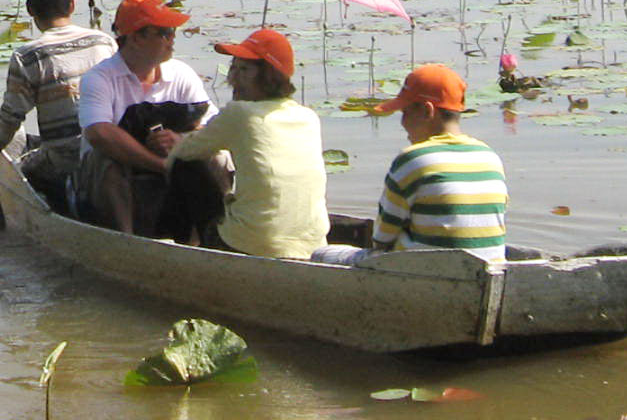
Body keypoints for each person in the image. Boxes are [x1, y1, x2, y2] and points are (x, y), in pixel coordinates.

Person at [154, 27, 330, 259]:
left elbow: (182, 153)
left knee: (186, 166)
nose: (233, 78)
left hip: (253, 243)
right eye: (233, 67)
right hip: (314, 246)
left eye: (244, 69)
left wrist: (179, 139)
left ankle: (183, 250)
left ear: (269, 76)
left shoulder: (240, 113)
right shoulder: (308, 116)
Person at [312, 63, 507, 265]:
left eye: (405, 112)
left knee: (321, 254)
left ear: (426, 111)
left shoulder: (413, 159)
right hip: (490, 266)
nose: (402, 122)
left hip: (425, 270)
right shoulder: (489, 156)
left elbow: (381, 239)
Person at [72, 0, 217, 234]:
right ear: (136, 38)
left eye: (173, 32)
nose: (172, 40)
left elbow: (212, 125)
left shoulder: (181, 74)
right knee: (104, 160)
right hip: (114, 179)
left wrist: (182, 141)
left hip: (170, 167)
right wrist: (162, 165)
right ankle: (127, 241)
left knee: (217, 157)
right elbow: (99, 133)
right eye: (164, 33)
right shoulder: (100, 79)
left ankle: (213, 236)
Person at [0, 0, 113, 199]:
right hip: (110, 152)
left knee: (21, 165)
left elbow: (9, 121)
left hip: (63, 162)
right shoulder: (103, 42)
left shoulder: (27, 57)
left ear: (30, 9)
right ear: (72, 5)